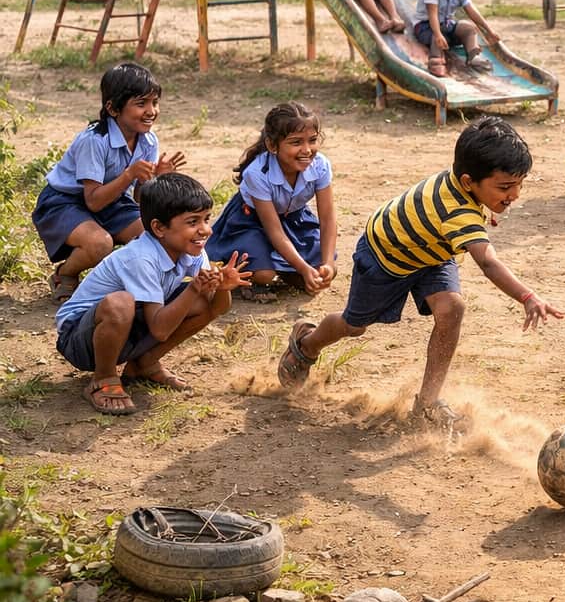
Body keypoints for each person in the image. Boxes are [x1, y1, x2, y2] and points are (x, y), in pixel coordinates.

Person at [277, 119, 564, 425]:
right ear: (468, 182)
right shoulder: (457, 211)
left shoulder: (464, 184)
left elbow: (465, 220)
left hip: (431, 254)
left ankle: (427, 403)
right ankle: (306, 342)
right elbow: (489, 263)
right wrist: (527, 296)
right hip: (385, 259)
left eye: (520, 183)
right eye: (505, 187)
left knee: (452, 307)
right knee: (354, 325)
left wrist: (487, 207)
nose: (515, 194)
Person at [55, 174, 250, 415]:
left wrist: (221, 287)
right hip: (79, 338)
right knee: (121, 302)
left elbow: (217, 308)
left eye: (206, 219)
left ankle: (143, 364)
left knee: (203, 300)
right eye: (193, 222)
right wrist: (193, 288)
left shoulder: (192, 250)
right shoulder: (141, 257)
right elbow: (159, 329)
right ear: (159, 228)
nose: (205, 230)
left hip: (128, 325)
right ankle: (104, 378)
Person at [32, 62, 186, 304]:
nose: (151, 111)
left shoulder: (148, 141)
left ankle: (135, 282)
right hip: (65, 201)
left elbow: (139, 200)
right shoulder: (94, 140)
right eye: (140, 103)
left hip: (114, 199)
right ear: (113, 109)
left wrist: (157, 177)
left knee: (155, 233)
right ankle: (66, 274)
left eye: (154, 102)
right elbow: (92, 201)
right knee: (99, 244)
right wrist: (128, 175)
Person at [206, 102, 337, 303]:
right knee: (264, 274)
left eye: (312, 140)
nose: (307, 150)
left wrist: (327, 264)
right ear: (272, 145)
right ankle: (262, 275)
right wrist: (303, 268)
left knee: (324, 270)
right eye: (295, 142)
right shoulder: (257, 173)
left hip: (293, 220)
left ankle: (287, 269)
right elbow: (274, 230)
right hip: (251, 221)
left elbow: (328, 219)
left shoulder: (320, 165)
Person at [413, 0, 501, 77]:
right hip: (426, 27)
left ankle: (473, 56)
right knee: (436, 35)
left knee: (469, 28)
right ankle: (436, 60)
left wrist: (489, 31)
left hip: (447, 25)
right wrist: (438, 35)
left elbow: (471, 10)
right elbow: (432, 15)